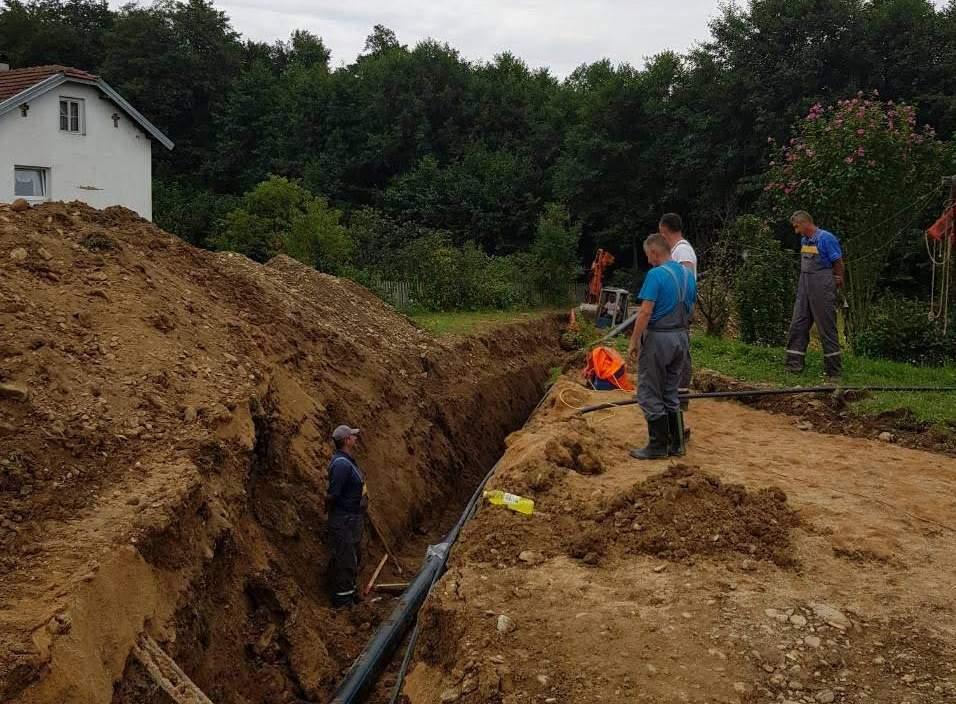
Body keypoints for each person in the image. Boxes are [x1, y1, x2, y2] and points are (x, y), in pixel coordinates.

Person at [627, 233, 697, 459]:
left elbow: (645, 311)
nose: (648, 261)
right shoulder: (688, 276)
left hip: (659, 339)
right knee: (670, 391)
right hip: (681, 338)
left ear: (655, 252)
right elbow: (691, 310)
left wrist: (634, 340)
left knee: (648, 390)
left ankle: (657, 446)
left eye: (649, 255)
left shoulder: (656, 275)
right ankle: (677, 445)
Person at [785, 210, 845, 378]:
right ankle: (793, 366)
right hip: (804, 286)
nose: (796, 231)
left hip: (822, 286)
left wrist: (838, 280)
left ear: (805, 223)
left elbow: (838, 262)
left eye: (797, 227)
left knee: (826, 328)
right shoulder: (805, 240)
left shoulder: (826, 238)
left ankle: (833, 372)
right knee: (798, 324)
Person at [658, 212, 697, 434]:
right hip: (677, 309)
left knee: (679, 352)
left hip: (679, 310)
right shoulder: (678, 250)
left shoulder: (682, 250)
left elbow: (685, 279)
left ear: (664, 230)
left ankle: (680, 398)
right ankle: (676, 399)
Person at [326, 424, 368, 607]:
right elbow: (333, 494)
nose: (356, 438)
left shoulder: (347, 461)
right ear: (346, 440)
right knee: (346, 559)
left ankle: (350, 594)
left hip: (351, 518)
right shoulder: (341, 465)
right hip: (344, 520)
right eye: (353, 436)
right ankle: (343, 600)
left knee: (353, 557)